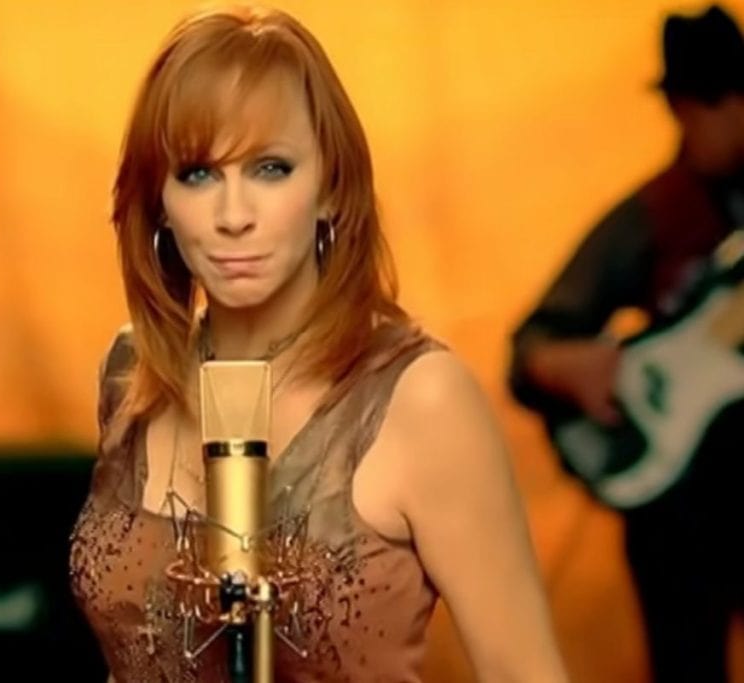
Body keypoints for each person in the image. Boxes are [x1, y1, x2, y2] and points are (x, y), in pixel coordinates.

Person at [70, 6, 567, 682]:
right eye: (198, 173)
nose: (233, 215)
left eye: (270, 168)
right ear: (158, 201)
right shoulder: (130, 375)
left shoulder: (421, 399)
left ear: (330, 187)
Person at [509, 5, 744, 682]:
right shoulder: (651, 213)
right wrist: (566, 366)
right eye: (681, 106)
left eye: (706, 104)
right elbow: (532, 342)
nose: (688, 122)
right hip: (680, 519)